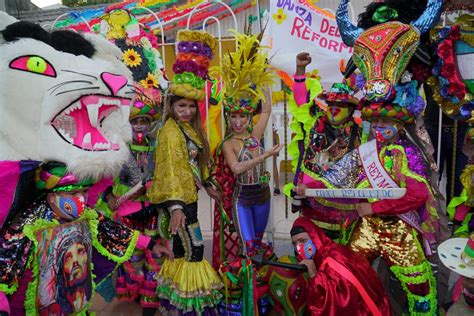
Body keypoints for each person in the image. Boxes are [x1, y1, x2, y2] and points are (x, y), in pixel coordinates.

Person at [147, 29, 223, 315]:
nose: (187, 110)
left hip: (188, 200)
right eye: (181, 105)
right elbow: (169, 170)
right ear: (171, 106)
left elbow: (196, 162)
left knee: (182, 251)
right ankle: (189, 309)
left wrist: (209, 182)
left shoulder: (190, 129)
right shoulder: (169, 132)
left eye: (191, 106)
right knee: (194, 251)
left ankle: (174, 307)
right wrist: (176, 207)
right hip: (176, 203)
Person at [290, 52, 361, 244]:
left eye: (340, 104)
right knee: (312, 248)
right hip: (312, 200)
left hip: (343, 206)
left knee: (340, 251)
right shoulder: (316, 122)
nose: (334, 109)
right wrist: (300, 70)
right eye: (331, 104)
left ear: (351, 109)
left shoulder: (360, 131)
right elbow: (300, 100)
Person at [289, 216, 391, 315]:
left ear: (314, 236)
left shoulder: (334, 259)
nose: (299, 247)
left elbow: (338, 304)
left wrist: (314, 276)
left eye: (303, 241)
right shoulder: (323, 255)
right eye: (295, 243)